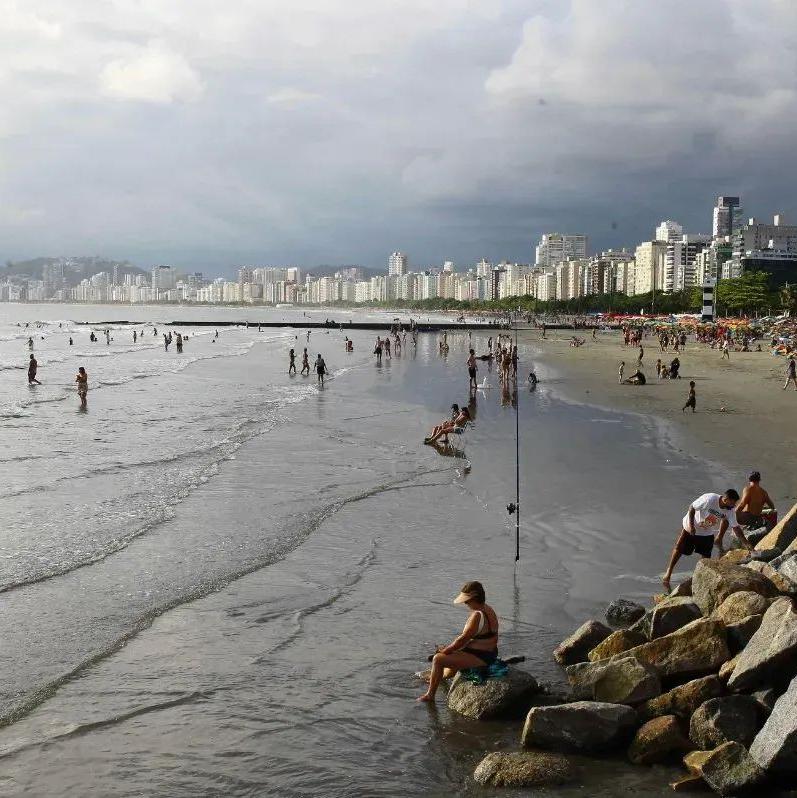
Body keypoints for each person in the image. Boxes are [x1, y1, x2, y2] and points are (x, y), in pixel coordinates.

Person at [417, 581, 498, 703]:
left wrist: (446, 650)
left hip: (481, 657)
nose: (465, 603)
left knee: (438, 659)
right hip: (490, 652)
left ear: (474, 598)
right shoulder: (488, 609)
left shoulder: (477, 615)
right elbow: (476, 637)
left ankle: (430, 695)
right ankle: (438, 677)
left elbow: (462, 639)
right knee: (450, 656)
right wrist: (451, 649)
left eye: (467, 600)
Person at [662, 490, 751, 591]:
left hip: (706, 530)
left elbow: (736, 528)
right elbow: (692, 508)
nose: (734, 505)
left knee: (706, 557)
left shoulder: (730, 510)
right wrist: (691, 527)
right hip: (691, 526)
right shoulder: (710, 499)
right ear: (725, 500)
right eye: (732, 503)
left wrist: (747, 544)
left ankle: (697, 577)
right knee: (679, 549)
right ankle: (668, 572)